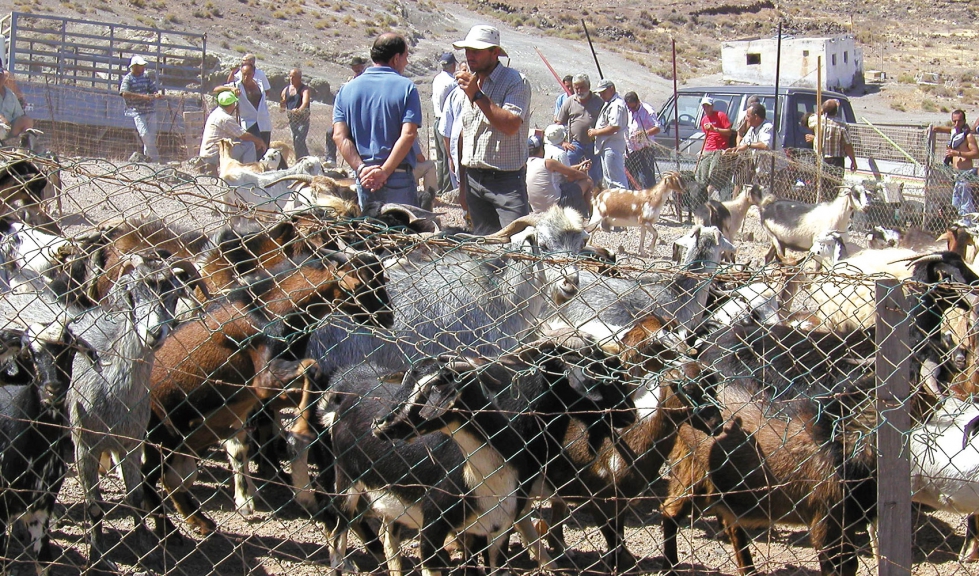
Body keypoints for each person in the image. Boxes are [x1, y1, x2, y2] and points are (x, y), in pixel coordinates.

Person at [453, 25, 532, 235]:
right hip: (473, 179)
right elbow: (465, 135)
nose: (470, 56)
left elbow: (511, 125)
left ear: (495, 52)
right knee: (484, 247)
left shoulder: (515, 82)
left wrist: (477, 95)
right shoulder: (470, 83)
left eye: (476, 51)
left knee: (517, 247)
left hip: (506, 181)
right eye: (467, 51)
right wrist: (462, 185)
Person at [333, 33, 422, 208]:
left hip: (365, 179)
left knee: (371, 232)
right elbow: (409, 134)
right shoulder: (407, 88)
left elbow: (339, 136)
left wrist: (361, 169)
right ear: (396, 58)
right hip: (398, 178)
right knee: (405, 233)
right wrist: (384, 171)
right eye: (406, 57)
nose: (407, 62)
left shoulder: (346, 90)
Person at [556, 73, 604, 187]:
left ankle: (594, 197)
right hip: (575, 144)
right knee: (566, 168)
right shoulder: (569, 102)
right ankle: (567, 192)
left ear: (588, 86)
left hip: (595, 144)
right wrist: (563, 142)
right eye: (576, 88)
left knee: (595, 175)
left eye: (581, 87)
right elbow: (558, 124)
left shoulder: (599, 101)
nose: (578, 90)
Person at [526, 133, 592, 214]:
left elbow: (564, 170)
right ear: (541, 149)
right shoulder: (547, 162)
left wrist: (578, 166)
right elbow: (572, 175)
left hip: (537, 208)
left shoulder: (526, 165)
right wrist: (585, 175)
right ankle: (592, 216)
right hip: (556, 204)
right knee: (588, 182)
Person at [199, 91, 266, 168]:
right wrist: (259, 141)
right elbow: (243, 135)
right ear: (232, 104)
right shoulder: (226, 118)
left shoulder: (215, 113)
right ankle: (249, 171)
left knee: (240, 144)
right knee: (249, 145)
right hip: (215, 154)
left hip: (208, 152)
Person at [325, 56, 369, 166]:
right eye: (355, 67)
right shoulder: (349, 82)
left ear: (362, 66)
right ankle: (331, 159)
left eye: (359, 66)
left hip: (363, 118)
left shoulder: (367, 80)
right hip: (349, 117)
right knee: (331, 132)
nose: (357, 69)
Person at [934, 109, 979, 217]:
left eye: (959, 121)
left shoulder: (968, 136)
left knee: (965, 203)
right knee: (955, 203)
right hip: (956, 174)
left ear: (964, 121)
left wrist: (957, 153)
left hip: (966, 174)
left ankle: (967, 225)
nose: (957, 124)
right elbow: (950, 129)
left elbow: (976, 154)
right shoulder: (955, 133)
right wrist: (936, 128)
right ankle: (958, 225)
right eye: (954, 121)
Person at [119, 55, 163, 162]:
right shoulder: (128, 79)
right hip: (138, 111)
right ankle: (156, 159)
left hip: (150, 110)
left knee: (151, 137)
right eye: (141, 66)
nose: (143, 68)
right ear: (135, 66)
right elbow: (124, 93)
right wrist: (142, 96)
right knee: (145, 135)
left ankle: (149, 160)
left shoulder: (146, 77)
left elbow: (153, 89)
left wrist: (157, 94)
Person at [219, 62, 272, 148]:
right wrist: (231, 88)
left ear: (253, 74)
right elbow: (217, 89)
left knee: (265, 152)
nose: (246, 77)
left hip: (264, 123)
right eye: (244, 74)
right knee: (252, 152)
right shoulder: (237, 85)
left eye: (249, 74)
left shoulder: (259, 84)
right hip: (249, 124)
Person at [588, 79, 628, 190]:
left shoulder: (616, 105)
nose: (601, 95)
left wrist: (595, 132)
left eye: (603, 92)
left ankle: (623, 205)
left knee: (616, 181)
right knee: (610, 180)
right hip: (607, 145)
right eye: (600, 93)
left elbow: (614, 127)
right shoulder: (610, 103)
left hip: (612, 145)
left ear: (612, 89)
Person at [728, 102, 773, 192]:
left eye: (748, 116)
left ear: (756, 117)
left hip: (774, 172)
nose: (746, 119)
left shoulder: (767, 127)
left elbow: (765, 145)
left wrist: (748, 145)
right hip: (760, 171)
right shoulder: (752, 129)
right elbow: (743, 143)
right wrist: (733, 149)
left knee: (771, 198)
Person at [695, 95, 733, 200]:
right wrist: (702, 151)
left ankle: (707, 196)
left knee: (714, 173)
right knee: (702, 174)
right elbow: (706, 135)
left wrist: (715, 129)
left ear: (712, 106)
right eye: (704, 107)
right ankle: (701, 196)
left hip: (719, 149)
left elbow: (729, 132)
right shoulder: (704, 120)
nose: (706, 109)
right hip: (708, 149)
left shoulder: (721, 115)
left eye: (708, 106)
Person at [808, 98, 857, 177]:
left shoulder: (817, 121)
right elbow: (847, 145)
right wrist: (853, 161)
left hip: (820, 158)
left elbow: (810, 119)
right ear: (836, 111)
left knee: (821, 184)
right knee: (834, 184)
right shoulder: (842, 125)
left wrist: (821, 110)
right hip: (836, 161)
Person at [432, 52, 457, 197]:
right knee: (449, 155)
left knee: (441, 158)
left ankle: (440, 186)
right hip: (446, 121)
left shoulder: (437, 79)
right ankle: (448, 189)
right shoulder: (451, 83)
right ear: (453, 65)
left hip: (437, 120)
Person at [623, 91, 661, 189]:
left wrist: (644, 133)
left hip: (644, 149)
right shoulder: (626, 110)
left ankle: (649, 200)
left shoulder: (648, 111)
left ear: (638, 102)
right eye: (629, 107)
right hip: (630, 150)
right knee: (630, 179)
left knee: (646, 178)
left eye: (633, 107)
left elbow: (657, 128)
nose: (631, 109)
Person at [280, 68, 311, 159]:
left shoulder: (304, 89)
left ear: (299, 78)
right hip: (292, 120)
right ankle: (303, 158)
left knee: (299, 140)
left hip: (303, 120)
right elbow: (282, 103)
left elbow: (305, 102)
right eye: (290, 76)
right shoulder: (286, 90)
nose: (291, 79)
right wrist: (282, 106)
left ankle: (303, 158)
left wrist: (299, 110)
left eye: (294, 77)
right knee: (295, 141)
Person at [0, 65, 34, 144]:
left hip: (8, 130)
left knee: (26, 120)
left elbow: (19, 115)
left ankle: (13, 144)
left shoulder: (10, 95)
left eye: (0, 76)